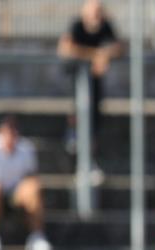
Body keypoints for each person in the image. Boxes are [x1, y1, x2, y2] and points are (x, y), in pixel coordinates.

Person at [57, 0, 121, 156]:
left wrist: (105, 55)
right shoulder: (77, 25)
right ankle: (74, 144)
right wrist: (95, 55)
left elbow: (118, 48)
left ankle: (90, 157)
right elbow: (65, 48)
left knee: (94, 117)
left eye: (99, 12)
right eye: (94, 12)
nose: (96, 16)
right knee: (78, 110)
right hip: (74, 78)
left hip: (94, 80)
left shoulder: (105, 25)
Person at [0, 116, 52, 250]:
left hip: (17, 194)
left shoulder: (26, 148)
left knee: (34, 187)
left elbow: (31, 176)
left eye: (12, 132)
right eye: (6, 132)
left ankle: (37, 236)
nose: (9, 137)